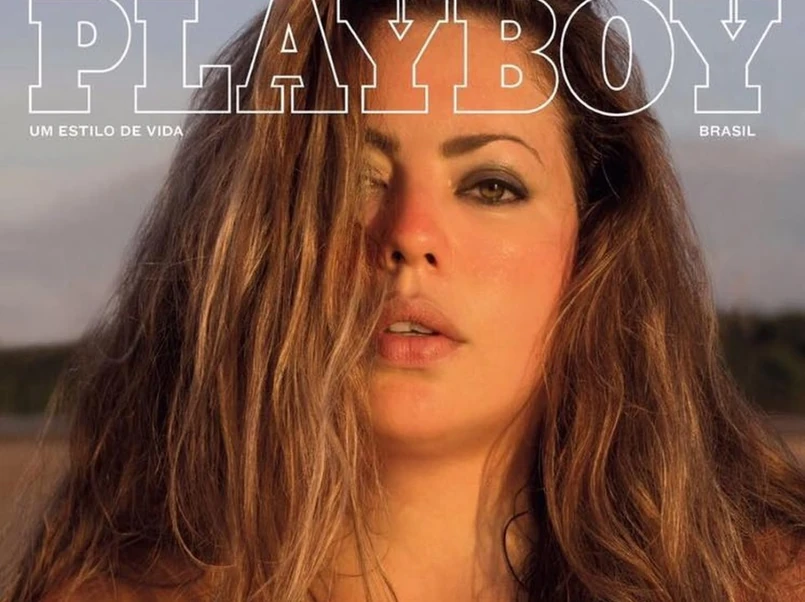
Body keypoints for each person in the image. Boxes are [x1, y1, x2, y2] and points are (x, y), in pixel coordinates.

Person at [3, 0, 805, 600]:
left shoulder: (760, 583)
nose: (408, 235)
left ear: (593, 244)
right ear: (246, 243)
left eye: (490, 185)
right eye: (346, 182)